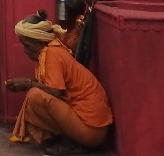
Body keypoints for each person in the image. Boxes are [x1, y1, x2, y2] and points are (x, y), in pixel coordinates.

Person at [6, 13, 112, 152]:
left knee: (35, 95)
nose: (25, 51)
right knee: (35, 93)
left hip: (91, 130)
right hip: (91, 128)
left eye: (27, 45)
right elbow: (49, 85)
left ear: (40, 41)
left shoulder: (52, 54)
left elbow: (55, 91)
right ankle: (68, 138)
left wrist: (27, 83)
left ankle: (71, 141)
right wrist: (23, 84)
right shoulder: (51, 51)